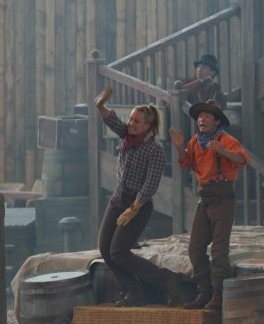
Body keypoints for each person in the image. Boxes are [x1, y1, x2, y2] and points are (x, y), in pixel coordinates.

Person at [94, 84, 183, 307]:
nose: (131, 123)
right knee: (105, 249)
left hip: (139, 204)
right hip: (118, 198)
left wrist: (133, 209)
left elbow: (150, 185)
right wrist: (100, 105)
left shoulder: (154, 150)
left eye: (136, 121)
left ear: (148, 126)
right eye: (131, 119)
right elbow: (112, 120)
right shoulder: (127, 135)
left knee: (118, 251)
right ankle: (133, 290)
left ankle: (167, 279)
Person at [168, 100, 250, 310]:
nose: (201, 119)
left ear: (216, 121)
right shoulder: (196, 140)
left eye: (206, 116)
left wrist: (222, 151)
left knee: (219, 250)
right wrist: (179, 146)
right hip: (204, 199)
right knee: (195, 248)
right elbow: (186, 163)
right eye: (199, 116)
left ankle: (219, 294)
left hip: (223, 199)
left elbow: (242, 159)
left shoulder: (226, 140)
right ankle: (203, 292)